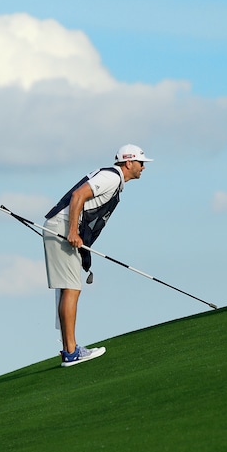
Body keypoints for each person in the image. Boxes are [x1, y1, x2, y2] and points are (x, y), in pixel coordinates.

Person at [43, 144, 153, 367]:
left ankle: (69, 350)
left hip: (61, 226)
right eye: (141, 163)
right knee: (71, 288)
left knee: (68, 287)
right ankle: (71, 352)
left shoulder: (115, 180)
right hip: (62, 227)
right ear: (128, 162)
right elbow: (78, 196)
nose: (143, 167)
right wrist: (73, 231)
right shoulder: (111, 177)